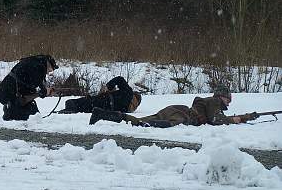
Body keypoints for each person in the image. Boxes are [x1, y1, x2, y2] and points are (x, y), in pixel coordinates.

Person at [89, 85, 257, 127]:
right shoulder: (214, 102)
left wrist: (246, 116)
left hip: (176, 109)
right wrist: (238, 119)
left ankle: (102, 114)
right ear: (221, 96)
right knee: (148, 125)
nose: (229, 102)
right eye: (228, 98)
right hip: (182, 115)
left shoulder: (210, 102)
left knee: (138, 122)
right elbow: (216, 120)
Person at [0, 54, 58, 121]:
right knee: (29, 118)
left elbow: (32, 86)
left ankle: (10, 110)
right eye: (51, 70)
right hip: (9, 95)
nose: (48, 73)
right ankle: (11, 112)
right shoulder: (39, 67)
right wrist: (45, 91)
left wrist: (44, 91)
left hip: (4, 92)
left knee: (33, 115)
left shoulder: (33, 62)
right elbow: (38, 88)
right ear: (49, 64)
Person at [58, 76, 141, 114]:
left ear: (134, 95)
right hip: (102, 109)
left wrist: (108, 87)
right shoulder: (128, 109)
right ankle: (72, 110)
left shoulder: (129, 93)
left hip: (102, 100)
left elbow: (120, 79)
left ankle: (69, 110)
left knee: (70, 102)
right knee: (83, 107)